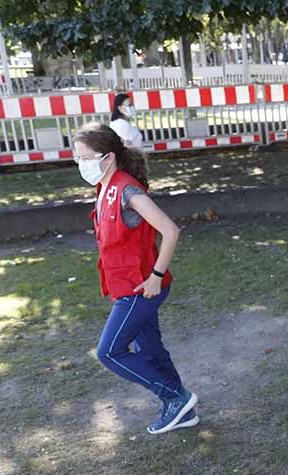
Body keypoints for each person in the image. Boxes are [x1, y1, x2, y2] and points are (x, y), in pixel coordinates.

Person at [73, 123, 197, 435]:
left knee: (109, 351)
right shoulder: (104, 187)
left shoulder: (127, 190)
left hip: (140, 288)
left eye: (85, 158)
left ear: (108, 157)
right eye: (76, 158)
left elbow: (170, 230)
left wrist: (156, 275)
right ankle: (184, 412)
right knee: (151, 350)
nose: (80, 164)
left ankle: (174, 397)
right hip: (124, 287)